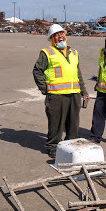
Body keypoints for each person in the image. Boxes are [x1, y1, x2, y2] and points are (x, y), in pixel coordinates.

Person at [33, 24, 89, 158]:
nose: (60, 37)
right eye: (56, 35)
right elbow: (37, 71)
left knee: (73, 124)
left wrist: (84, 91)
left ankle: (71, 146)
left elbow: (78, 73)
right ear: (52, 39)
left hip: (74, 94)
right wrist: (45, 89)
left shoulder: (74, 52)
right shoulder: (47, 52)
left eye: (61, 34)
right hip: (57, 96)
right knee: (56, 124)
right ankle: (53, 148)